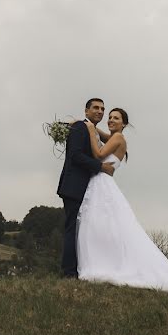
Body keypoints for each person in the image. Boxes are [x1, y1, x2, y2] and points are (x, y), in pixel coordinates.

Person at [76, 107, 168, 299]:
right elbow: (104, 135)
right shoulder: (115, 137)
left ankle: (104, 263)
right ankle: (107, 261)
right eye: (110, 118)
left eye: (116, 118)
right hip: (103, 183)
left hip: (103, 183)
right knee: (107, 226)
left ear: (124, 124)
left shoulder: (118, 138)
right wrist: (86, 124)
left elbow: (98, 155)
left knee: (102, 225)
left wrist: (90, 131)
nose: (110, 120)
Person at [56, 98, 115, 278]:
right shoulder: (80, 128)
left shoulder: (90, 129)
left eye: (102, 109)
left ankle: (80, 269)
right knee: (72, 229)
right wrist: (100, 167)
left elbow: (112, 138)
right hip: (74, 187)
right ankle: (69, 273)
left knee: (82, 230)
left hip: (86, 188)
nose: (100, 111)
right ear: (86, 111)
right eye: (96, 108)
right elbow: (75, 155)